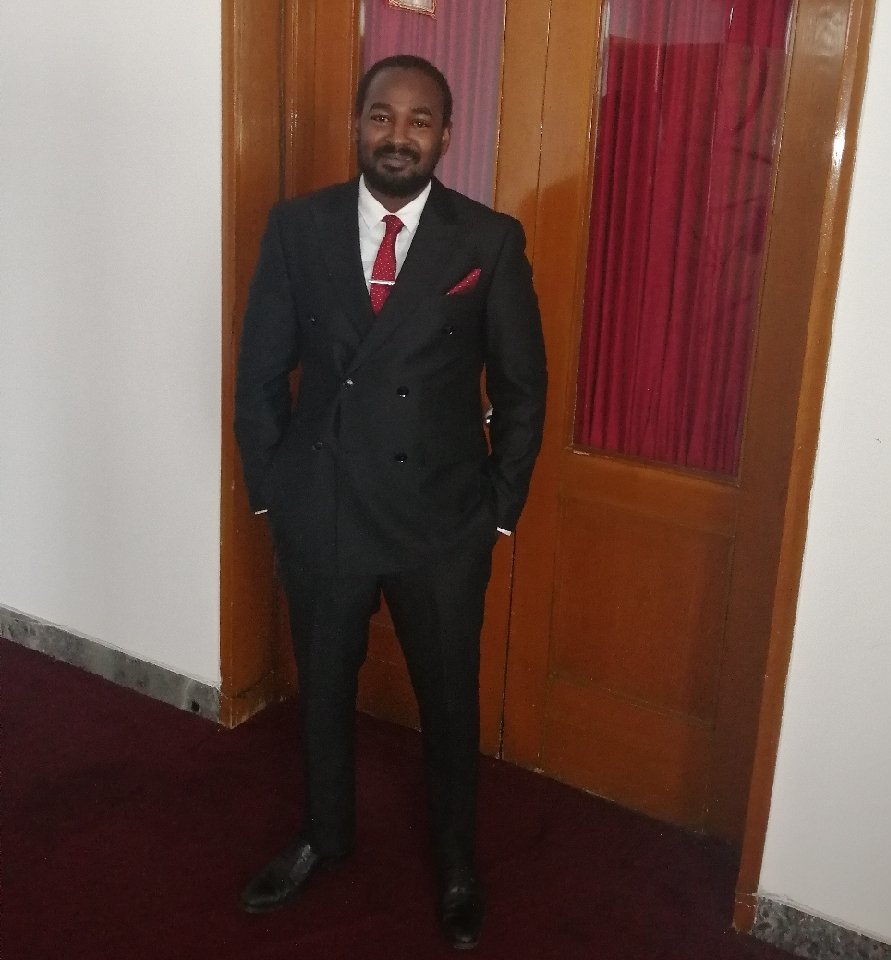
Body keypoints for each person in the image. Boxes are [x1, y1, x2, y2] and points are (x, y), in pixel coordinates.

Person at [233, 54, 547, 950]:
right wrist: (275, 491)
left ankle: (455, 859)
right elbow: (260, 372)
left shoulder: (487, 240)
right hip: (325, 504)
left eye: (418, 120)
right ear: (357, 125)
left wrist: (498, 509)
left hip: (441, 519)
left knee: (448, 699)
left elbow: (522, 387)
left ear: (445, 136)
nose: (397, 135)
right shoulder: (298, 227)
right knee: (324, 687)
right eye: (381, 116)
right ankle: (323, 835)